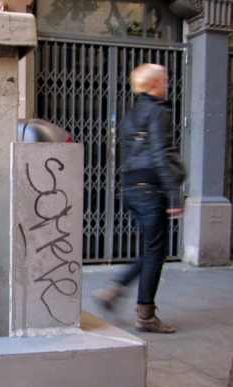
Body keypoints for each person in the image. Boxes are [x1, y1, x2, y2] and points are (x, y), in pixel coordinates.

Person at [93, 63, 186, 333]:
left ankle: (115, 289)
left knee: (151, 250)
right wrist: (175, 196)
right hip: (150, 189)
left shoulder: (132, 115)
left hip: (132, 189)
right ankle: (144, 314)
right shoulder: (158, 111)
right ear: (154, 83)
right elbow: (160, 152)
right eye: (164, 80)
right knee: (156, 253)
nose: (167, 85)